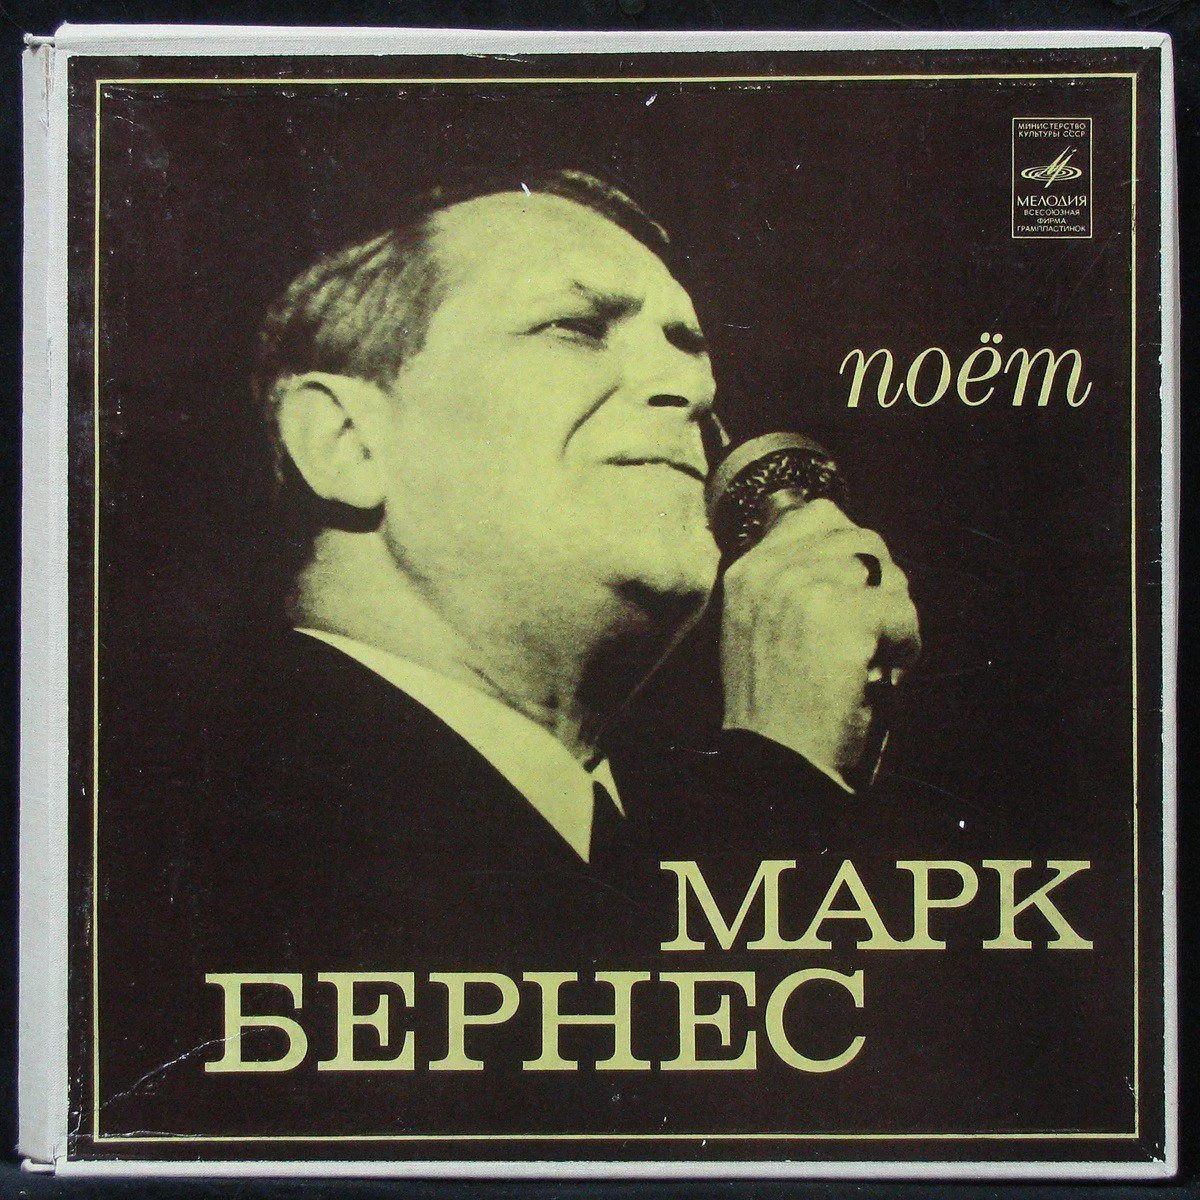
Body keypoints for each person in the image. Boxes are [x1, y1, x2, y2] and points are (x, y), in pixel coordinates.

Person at [101, 170, 925, 1131]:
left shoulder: (618, 836)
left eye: (689, 347)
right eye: (575, 327)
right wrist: (778, 777)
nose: (694, 390)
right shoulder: (179, 833)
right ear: (347, 442)